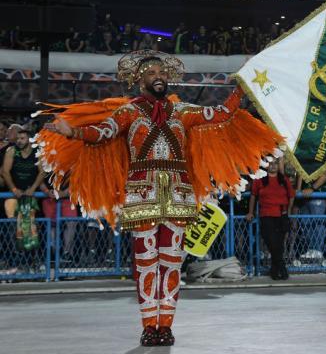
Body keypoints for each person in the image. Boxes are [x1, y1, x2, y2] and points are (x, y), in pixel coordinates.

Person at [39, 50, 282, 346]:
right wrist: (73, 132)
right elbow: (102, 132)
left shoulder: (182, 112)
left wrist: (240, 87)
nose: (159, 77)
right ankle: (148, 325)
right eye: (152, 73)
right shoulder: (129, 111)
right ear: (139, 79)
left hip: (178, 195)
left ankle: (165, 325)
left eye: (162, 73)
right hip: (142, 195)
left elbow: (221, 114)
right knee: (145, 262)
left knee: (171, 262)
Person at [246, 157, 294, 280]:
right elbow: (253, 196)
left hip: (281, 215)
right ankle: (281, 266)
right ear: (266, 165)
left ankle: (274, 269)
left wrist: (288, 212)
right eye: (270, 164)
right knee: (272, 242)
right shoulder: (260, 180)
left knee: (279, 244)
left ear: (278, 166)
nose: (273, 166)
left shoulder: (284, 180)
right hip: (266, 215)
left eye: (275, 164)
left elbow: (291, 196)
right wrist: (250, 212)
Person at [2, 129, 45, 263]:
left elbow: (43, 172)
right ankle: (13, 258)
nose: (19, 141)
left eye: (23, 138)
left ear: (29, 139)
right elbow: (5, 172)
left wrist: (32, 189)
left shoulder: (38, 152)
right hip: (14, 194)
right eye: (18, 138)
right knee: (13, 225)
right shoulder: (11, 151)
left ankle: (33, 259)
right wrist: (14, 189)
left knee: (32, 227)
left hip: (31, 194)